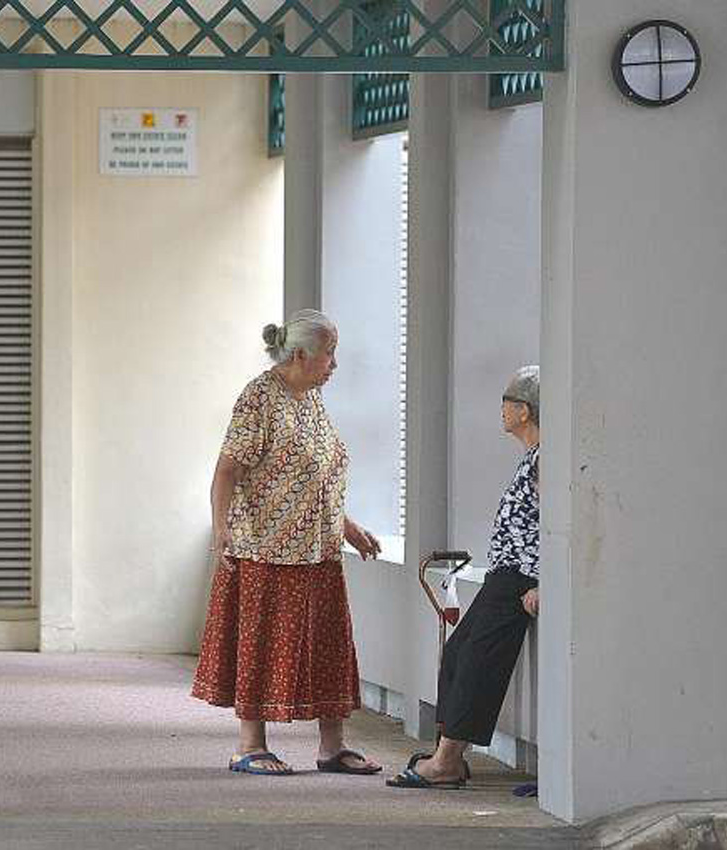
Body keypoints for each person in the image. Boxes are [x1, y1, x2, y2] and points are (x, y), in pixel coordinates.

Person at [191, 309, 385, 776]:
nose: (335, 363)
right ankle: (249, 746)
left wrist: (345, 525)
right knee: (263, 646)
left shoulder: (312, 398)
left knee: (329, 645)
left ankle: (332, 748)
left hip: (319, 550)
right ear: (300, 354)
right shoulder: (260, 397)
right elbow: (226, 471)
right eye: (329, 353)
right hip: (268, 549)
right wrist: (221, 531)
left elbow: (314, 474)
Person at [387, 365, 540, 789]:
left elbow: (555, 524)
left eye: (507, 401)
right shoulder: (531, 457)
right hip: (503, 575)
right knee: (458, 654)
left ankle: (446, 762)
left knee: (478, 662)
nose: (502, 408)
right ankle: (447, 754)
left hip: (519, 579)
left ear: (524, 411)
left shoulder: (544, 459)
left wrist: (542, 582)